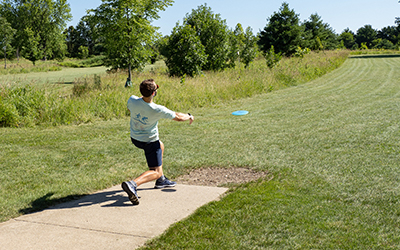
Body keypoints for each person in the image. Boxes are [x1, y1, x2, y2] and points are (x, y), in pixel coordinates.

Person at [122, 79, 194, 205]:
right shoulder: (157, 109)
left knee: (161, 145)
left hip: (135, 138)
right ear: (154, 93)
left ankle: (161, 180)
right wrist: (189, 116)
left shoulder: (132, 100)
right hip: (149, 141)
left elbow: (131, 109)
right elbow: (177, 116)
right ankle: (133, 184)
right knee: (156, 171)